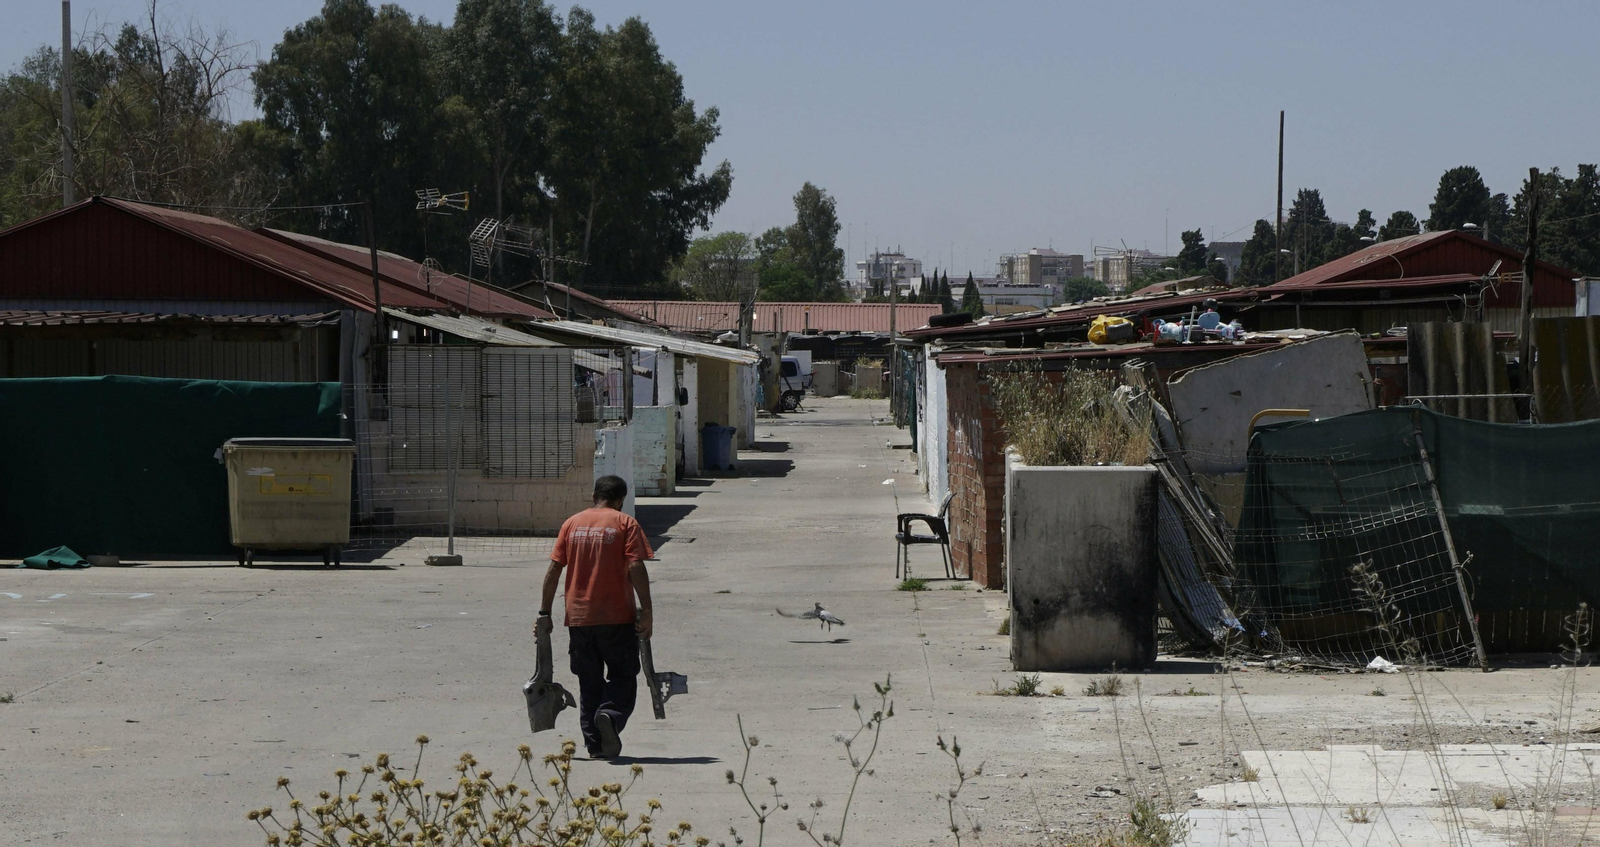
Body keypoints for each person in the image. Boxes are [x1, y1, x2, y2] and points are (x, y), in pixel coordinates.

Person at [539, 475, 654, 758]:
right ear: (620, 500)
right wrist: (648, 610)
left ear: (594, 496)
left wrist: (544, 613)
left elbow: (554, 570)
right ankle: (611, 715)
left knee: (588, 683)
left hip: (579, 618)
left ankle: (595, 747)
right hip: (617, 617)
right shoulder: (625, 523)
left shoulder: (572, 523)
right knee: (623, 677)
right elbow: (636, 565)